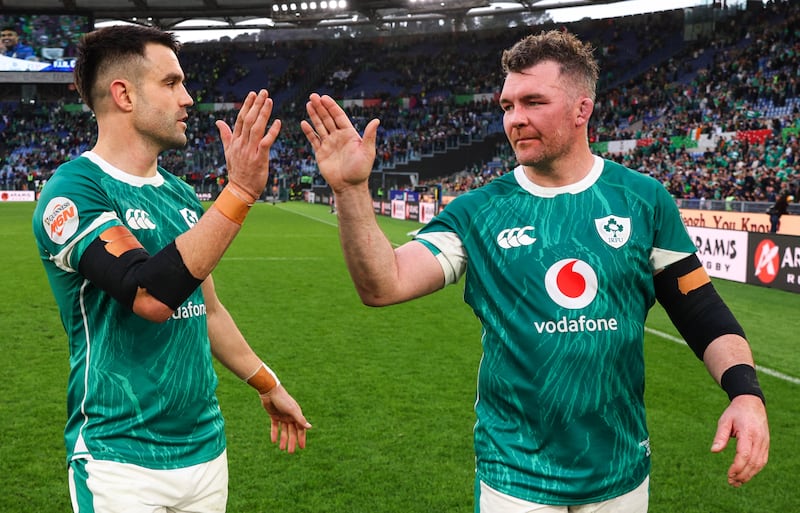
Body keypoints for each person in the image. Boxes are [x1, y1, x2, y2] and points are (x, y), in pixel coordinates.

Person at [301, 29, 769, 512]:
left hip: (621, 469)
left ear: (581, 109)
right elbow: (385, 284)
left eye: (533, 102)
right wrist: (352, 190)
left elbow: (700, 309)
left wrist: (746, 394)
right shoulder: (478, 211)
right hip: (515, 475)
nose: (515, 119)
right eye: (507, 105)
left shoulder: (644, 200)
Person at [32, 25, 311, 513]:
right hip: (120, 460)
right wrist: (240, 191)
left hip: (205, 452)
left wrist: (269, 384)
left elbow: (208, 310)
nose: (188, 98)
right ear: (123, 94)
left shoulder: (180, 195)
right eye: (171, 83)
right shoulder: (73, 192)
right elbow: (151, 295)